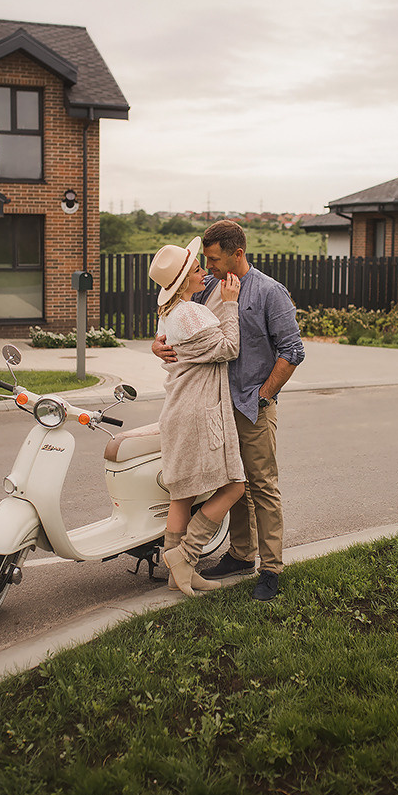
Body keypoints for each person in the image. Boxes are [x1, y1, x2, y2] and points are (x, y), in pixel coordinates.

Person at [153, 220, 305, 601]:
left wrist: (264, 396)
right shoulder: (206, 287)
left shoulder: (270, 292)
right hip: (215, 408)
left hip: (253, 405)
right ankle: (241, 555)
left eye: (214, 260)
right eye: (205, 261)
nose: (209, 268)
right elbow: (178, 321)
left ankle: (271, 569)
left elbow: (292, 351)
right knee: (232, 484)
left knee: (261, 486)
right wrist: (158, 345)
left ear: (237, 254)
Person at [149, 235, 246, 597]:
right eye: (195, 269)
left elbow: (171, 344)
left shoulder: (171, 314)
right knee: (235, 485)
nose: (203, 272)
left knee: (182, 495)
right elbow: (228, 348)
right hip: (196, 411)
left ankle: (179, 576)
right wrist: (231, 304)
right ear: (183, 280)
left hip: (179, 409)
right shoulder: (190, 314)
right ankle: (185, 556)